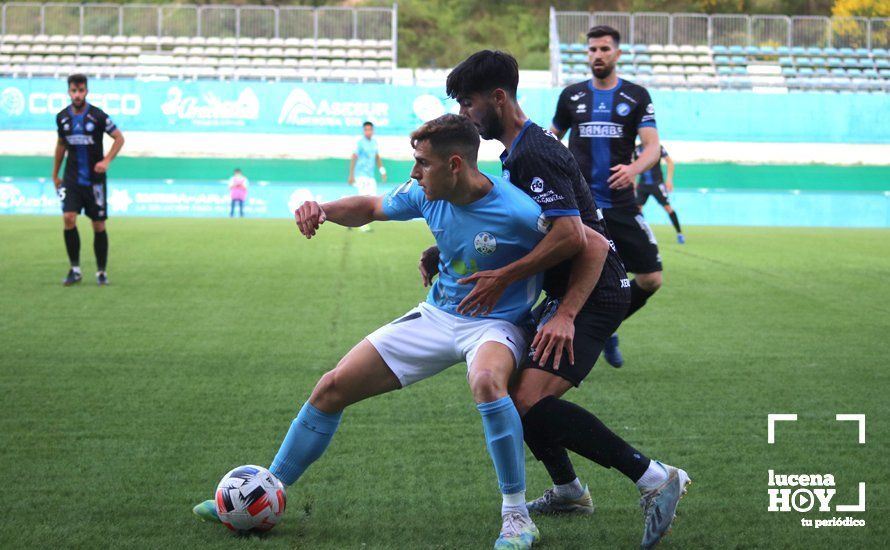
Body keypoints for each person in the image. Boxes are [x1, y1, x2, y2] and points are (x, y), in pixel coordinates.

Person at [193, 114, 578, 549]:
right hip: (437, 316)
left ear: (455, 164)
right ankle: (266, 492)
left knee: (487, 382)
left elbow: (580, 242)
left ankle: (517, 517)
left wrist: (564, 310)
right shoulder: (426, 194)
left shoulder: (520, 211)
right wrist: (324, 209)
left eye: (422, 163)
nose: (414, 173)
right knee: (331, 387)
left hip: (498, 323)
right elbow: (372, 207)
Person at [420, 50, 690, 549]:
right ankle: (568, 490)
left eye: (468, 102)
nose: (463, 114)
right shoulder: (517, 151)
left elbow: (577, 238)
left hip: (594, 292)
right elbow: (528, 229)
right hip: (570, 291)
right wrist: (444, 249)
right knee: (510, 393)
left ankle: (654, 478)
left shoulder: (535, 153)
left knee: (525, 401)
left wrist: (561, 310)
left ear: (498, 98)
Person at [551, 25, 665, 368]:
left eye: (603, 49)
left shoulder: (636, 96)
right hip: (578, 208)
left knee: (651, 278)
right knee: (561, 284)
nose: (597, 55)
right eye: (592, 50)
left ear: (616, 54)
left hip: (619, 204)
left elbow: (652, 147)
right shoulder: (571, 96)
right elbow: (551, 137)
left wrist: (632, 170)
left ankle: (605, 327)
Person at [52, 73, 124, 286]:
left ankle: (101, 272)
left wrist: (107, 160)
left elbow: (119, 138)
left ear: (86, 91)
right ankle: (75, 269)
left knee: (98, 225)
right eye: (74, 91)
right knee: (68, 218)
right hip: (72, 179)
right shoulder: (62, 118)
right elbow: (60, 146)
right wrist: (55, 174)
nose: (77, 94)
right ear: (68, 91)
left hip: (95, 181)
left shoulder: (98, 116)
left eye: (81, 90)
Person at [634, 143, 684, 243]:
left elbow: (669, 162)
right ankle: (644, 234)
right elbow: (632, 165)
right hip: (643, 185)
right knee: (637, 210)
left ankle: (679, 233)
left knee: (668, 208)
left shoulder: (657, 147)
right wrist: (634, 181)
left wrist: (669, 180)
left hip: (657, 184)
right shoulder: (637, 149)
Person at [347, 121, 387, 232]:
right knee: (364, 199)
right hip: (361, 175)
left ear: (373, 131)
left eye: (370, 129)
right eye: (366, 130)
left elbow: (377, 157)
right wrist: (351, 175)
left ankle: (350, 220)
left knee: (372, 199)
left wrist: (382, 171)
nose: (368, 132)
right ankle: (363, 225)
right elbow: (354, 157)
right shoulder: (360, 143)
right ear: (363, 131)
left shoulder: (374, 143)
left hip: (371, 175)